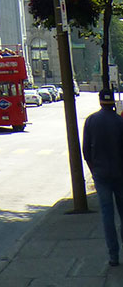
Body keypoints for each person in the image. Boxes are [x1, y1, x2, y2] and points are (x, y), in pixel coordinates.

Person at [82, 88, 123, 267]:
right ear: (112, 102)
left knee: (107, 215)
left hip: (101, 174)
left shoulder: (91, 121)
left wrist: (94, 170)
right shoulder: (120, 122)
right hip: (120, 174)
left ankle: (113, 256)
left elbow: (86, 152)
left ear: (100, 102)